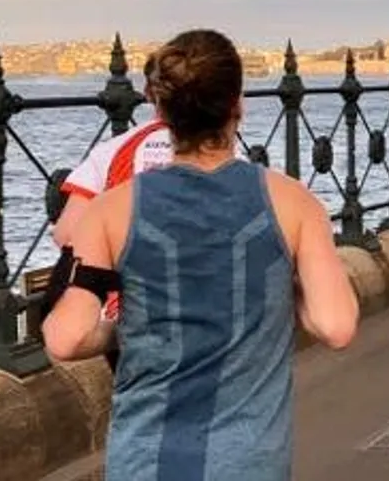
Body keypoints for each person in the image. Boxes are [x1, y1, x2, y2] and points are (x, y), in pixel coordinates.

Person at [42, 28, 359, 481]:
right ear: (237, 105)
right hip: (247, 461)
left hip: (146, 458)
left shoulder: (110, 211)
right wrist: (278, 295)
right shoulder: (293, 203)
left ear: (160, 110)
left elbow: (66, 339)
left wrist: (126, 328)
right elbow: (336, 326)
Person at [47, 57, 246, 367]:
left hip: (126, 315)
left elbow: (67, 233)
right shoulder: (229, 158)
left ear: (150, 95)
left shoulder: (116, 149)